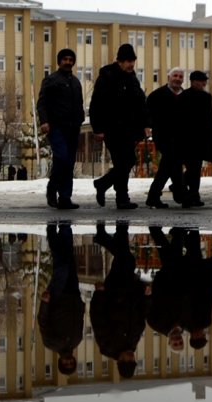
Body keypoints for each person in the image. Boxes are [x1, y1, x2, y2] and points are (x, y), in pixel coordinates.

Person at [89, 44, 151, 209]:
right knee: (124, 161)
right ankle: (120, 196)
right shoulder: (107, 76)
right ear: (120, 61)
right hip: (112, 128)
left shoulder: (132, 78)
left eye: (133, 61)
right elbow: (96, 103)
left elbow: (140, 102)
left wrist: (146, 123)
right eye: (128, 61)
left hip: (130, 129)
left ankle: (106, 186)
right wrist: (97, 128)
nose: (131, 65)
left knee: (126, 162)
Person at [90, 221, 148, 378]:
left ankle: (110, 233)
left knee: (127, 259)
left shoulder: (107, 345)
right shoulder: (133, 343)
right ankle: (119, 228)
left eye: (128, 360)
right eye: (133, 360)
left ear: (120, 361)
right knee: (124, 257)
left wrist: (99, 294)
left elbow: (97, 318)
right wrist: (143, 294)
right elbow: (140, 317)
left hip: (112, 292)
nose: (131, 357)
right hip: (130, 289)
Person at [37, 48, 85, 209]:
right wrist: (44, 121)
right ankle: (52, 189)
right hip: (56, 127)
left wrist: (80, 120)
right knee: (62, 157)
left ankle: (65, 197)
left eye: (71, 59)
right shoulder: (51, 80)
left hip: (73, 128)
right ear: (59, 61)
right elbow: (42, 103)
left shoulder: (76, 82)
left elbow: (79, 104)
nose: (68, 62)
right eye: (65, 59)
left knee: (68, 162)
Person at [37, 223, 84, 376]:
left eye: (66, 364)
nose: (68, 361)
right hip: (72, 294)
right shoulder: (77, 341)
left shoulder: (50, 343)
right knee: (69, 260)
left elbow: (43, 321)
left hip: (56, 297)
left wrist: (45, 303)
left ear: (60, 362)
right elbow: (79, 319)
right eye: (71, 363)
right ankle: (65, 228)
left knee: (61, 266)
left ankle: (52, 232)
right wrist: (80, 303)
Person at [144, 67, 186, 209]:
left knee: (170, 165)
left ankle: (173, 194)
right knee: (170, 162)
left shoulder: (186, 96)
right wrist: (148, 126)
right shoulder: (157, 95)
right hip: (163, 136)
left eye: (180, 76)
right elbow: (148, 113)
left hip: (180, 138)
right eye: (175, 75)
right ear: (169, 77)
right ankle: (177, 194)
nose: (177, 78)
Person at [180, 71, 212, 208]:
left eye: (204, 81)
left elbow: (209, 119)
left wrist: (211, 136)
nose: (204, 83)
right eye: (201, 81)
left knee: (195, 168)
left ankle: (191, 192)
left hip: (200, 138)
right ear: (193, 81)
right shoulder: (184, 97)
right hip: (187, 138)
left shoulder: (206, 97)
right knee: (193, 168)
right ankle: (191, 193)